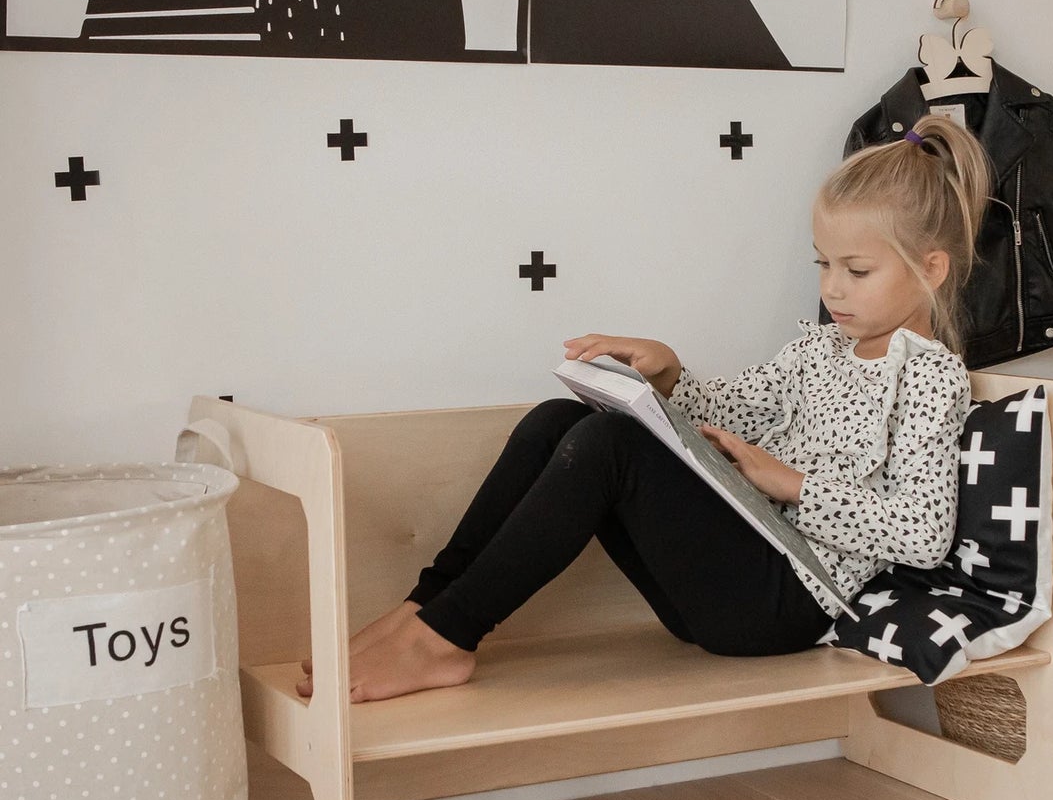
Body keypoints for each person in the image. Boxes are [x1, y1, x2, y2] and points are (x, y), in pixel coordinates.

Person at [297, 113, 993, 703]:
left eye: (857, 270)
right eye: (822, 265)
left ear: (930, 269)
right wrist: (668, 374)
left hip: (784, 603)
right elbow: (734, 411)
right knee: (558, 421)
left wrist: (791, 484)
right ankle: (428, 609)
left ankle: (444, 640)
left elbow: (924, 535)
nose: (833, 288)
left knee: (609, 448)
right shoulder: (818, 350)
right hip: (735, 566)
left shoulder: (932, 380)